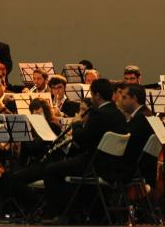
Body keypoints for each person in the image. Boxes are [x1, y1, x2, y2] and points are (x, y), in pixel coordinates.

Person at [42, 78, 127, 222]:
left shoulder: (98, 114)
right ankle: (76, 211)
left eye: (92, 94)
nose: (92, 97)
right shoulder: (118, 114)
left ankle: (64, 214)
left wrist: (76, 124)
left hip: (94, 164)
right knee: (65, 166)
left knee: (51, 170)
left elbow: (82, 138)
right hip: (113, 164)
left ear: (97, 95)